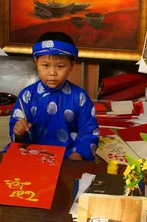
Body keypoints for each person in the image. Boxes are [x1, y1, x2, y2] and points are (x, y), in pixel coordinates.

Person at [7, 32, 99, 160]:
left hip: (67, 153)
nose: (52, 73)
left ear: (72, 65)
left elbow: (89, 132)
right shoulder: (26, 95)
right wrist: (19, 131)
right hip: (31, 151)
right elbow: (18, 135)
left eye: (60, 66)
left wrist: (78, 155)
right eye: (45, 65)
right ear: (36, 63)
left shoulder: (80, 97)